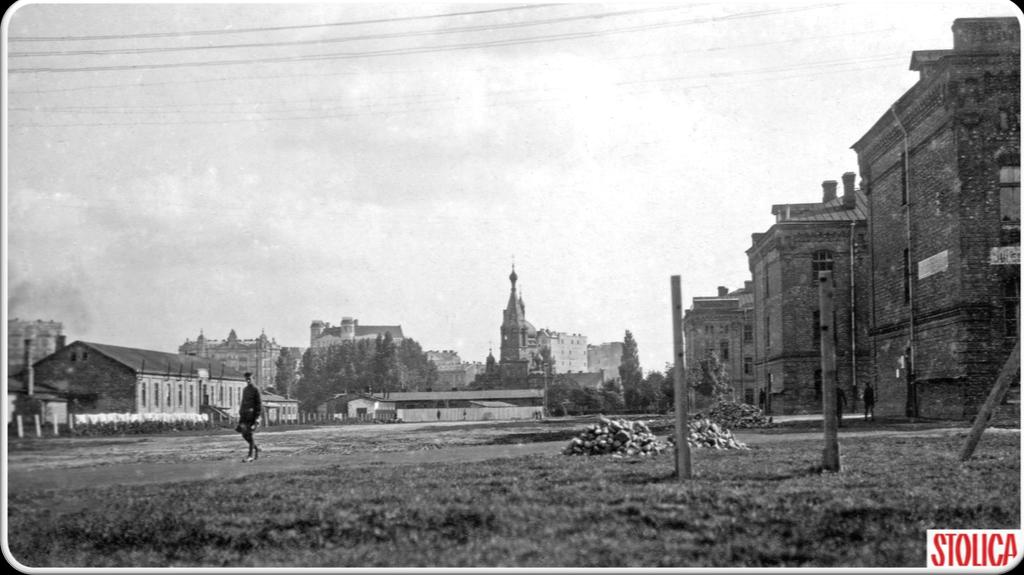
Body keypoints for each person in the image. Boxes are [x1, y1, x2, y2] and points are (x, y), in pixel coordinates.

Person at [238, 372, 262, 463]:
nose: (248, 380)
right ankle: (256, 448)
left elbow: (259, 404)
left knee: (250, 434)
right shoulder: (245, 390)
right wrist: (240, 412)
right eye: (246, 379)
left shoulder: (256, 389)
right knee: (244, 434)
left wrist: (257, 417)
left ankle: (250, 456)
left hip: (253, 417)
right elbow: (243, 402)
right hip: (245, 416)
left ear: (253, 378)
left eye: (249, 378)